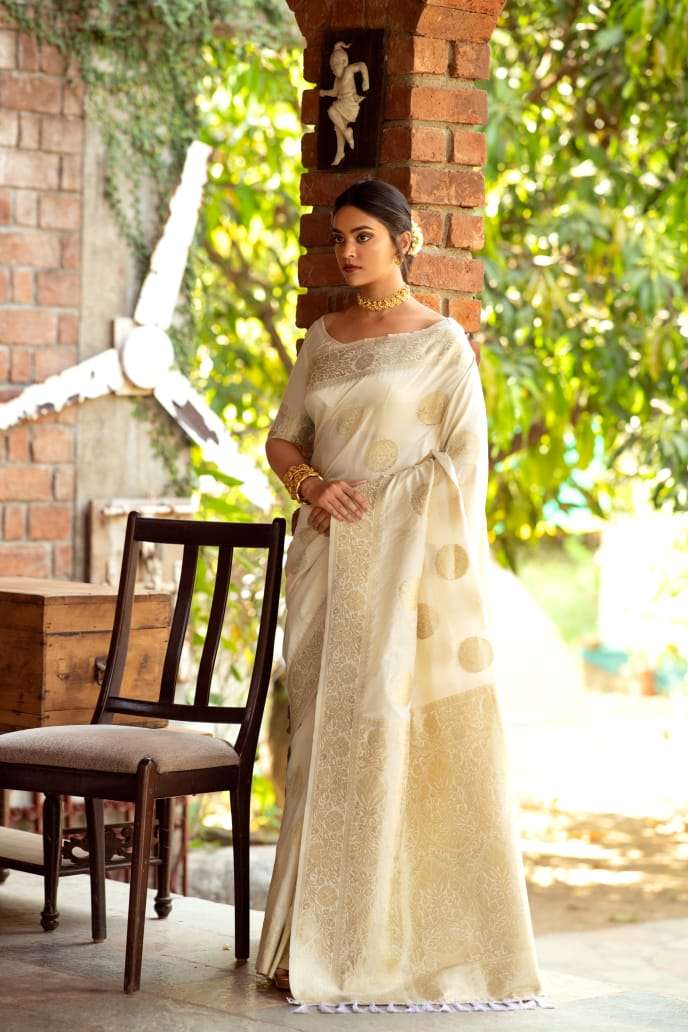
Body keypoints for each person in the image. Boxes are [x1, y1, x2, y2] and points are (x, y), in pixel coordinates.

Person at [255, 178, 553, 1013]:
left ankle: (374, 945)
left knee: (384, 737)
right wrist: (314, 487)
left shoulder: (441, 344)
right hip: (325, 566)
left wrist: (378, 506)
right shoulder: (323, 337)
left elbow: (462, 467)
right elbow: (282, 439)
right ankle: (302, 942)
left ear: (403, 240)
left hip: (402, 575)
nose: (347, 252)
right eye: (338, 238)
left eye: (363, 237)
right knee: (319, 745)